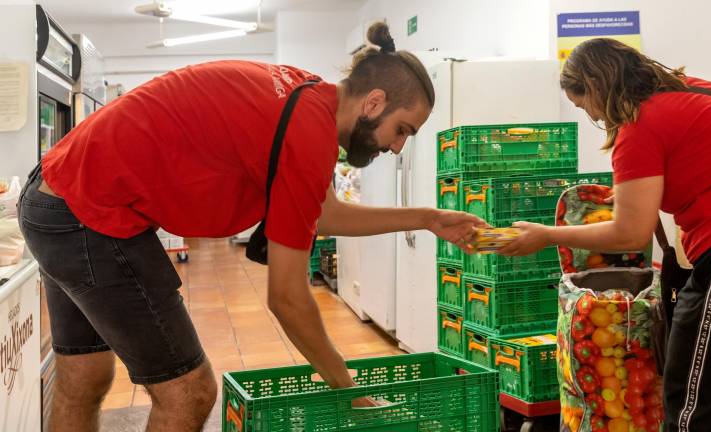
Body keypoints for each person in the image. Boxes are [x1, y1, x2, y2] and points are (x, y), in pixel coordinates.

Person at [19, 22, 484, 432]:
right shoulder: (308, 131)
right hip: (91, 213)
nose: (399, 147)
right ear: (374, 102)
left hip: (53, 196)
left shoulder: (309, 98)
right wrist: (350, 389)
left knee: (84, 376)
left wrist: (427, 218)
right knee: (189, 393)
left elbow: (321, 213)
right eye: (402, 129)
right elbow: (286, 298)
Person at [498, 38, 711, 432]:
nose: (590, 113)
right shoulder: (694, 89)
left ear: (595, 87)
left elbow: (629, 232)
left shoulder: (640, 124)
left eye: (583, 104)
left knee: (692, 403)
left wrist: (546, 234)